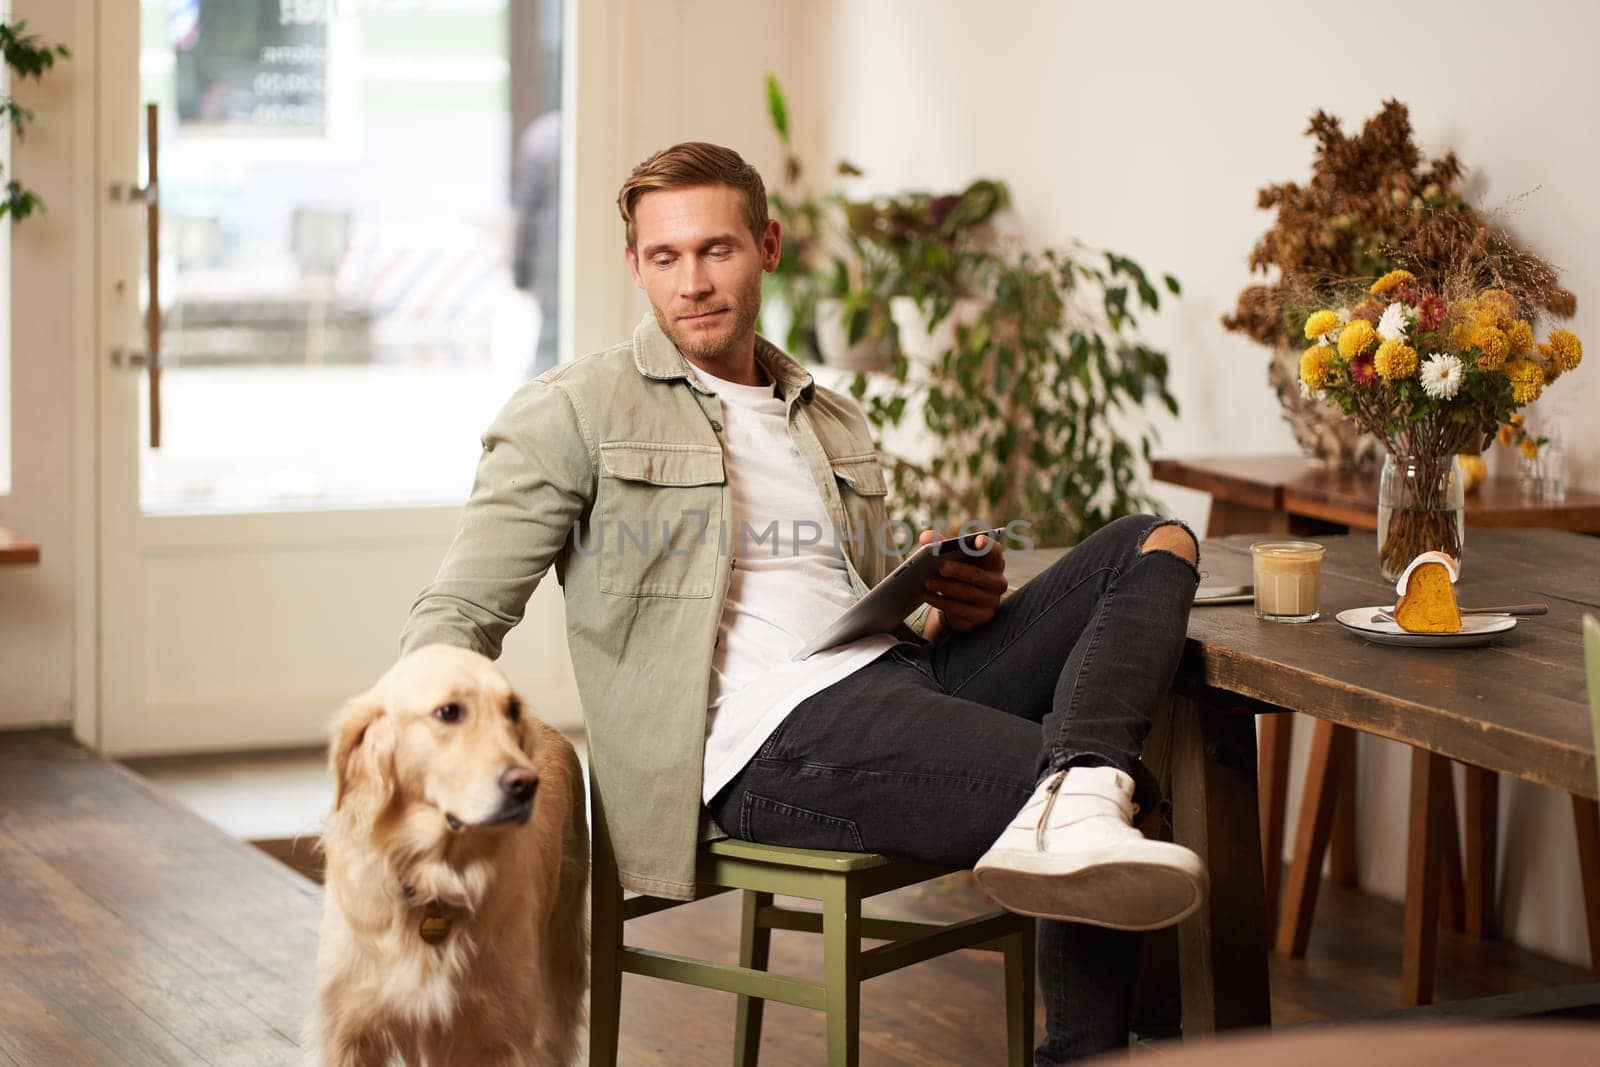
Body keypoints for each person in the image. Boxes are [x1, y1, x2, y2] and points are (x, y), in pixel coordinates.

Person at [401, 141, 1207, 1063]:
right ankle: (1090, 821)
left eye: (717, 250)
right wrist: (438, 773)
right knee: (1098, 800)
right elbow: (453, 619)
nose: (692, 282)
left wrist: (951, 605)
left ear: (767, 245)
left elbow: (845, 601)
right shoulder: (574, 411)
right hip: (766, 740)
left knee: (1153, 540)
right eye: (664, 258)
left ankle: (1087, 780)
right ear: (635, 264)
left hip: (895, 673)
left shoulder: (828, 415)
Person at [512, 110, 561, 376]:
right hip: (567, 263)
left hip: (548, 264)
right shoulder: (601, 130)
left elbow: (525, 213)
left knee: (549, 350)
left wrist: (521, 274)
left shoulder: (542, 136)